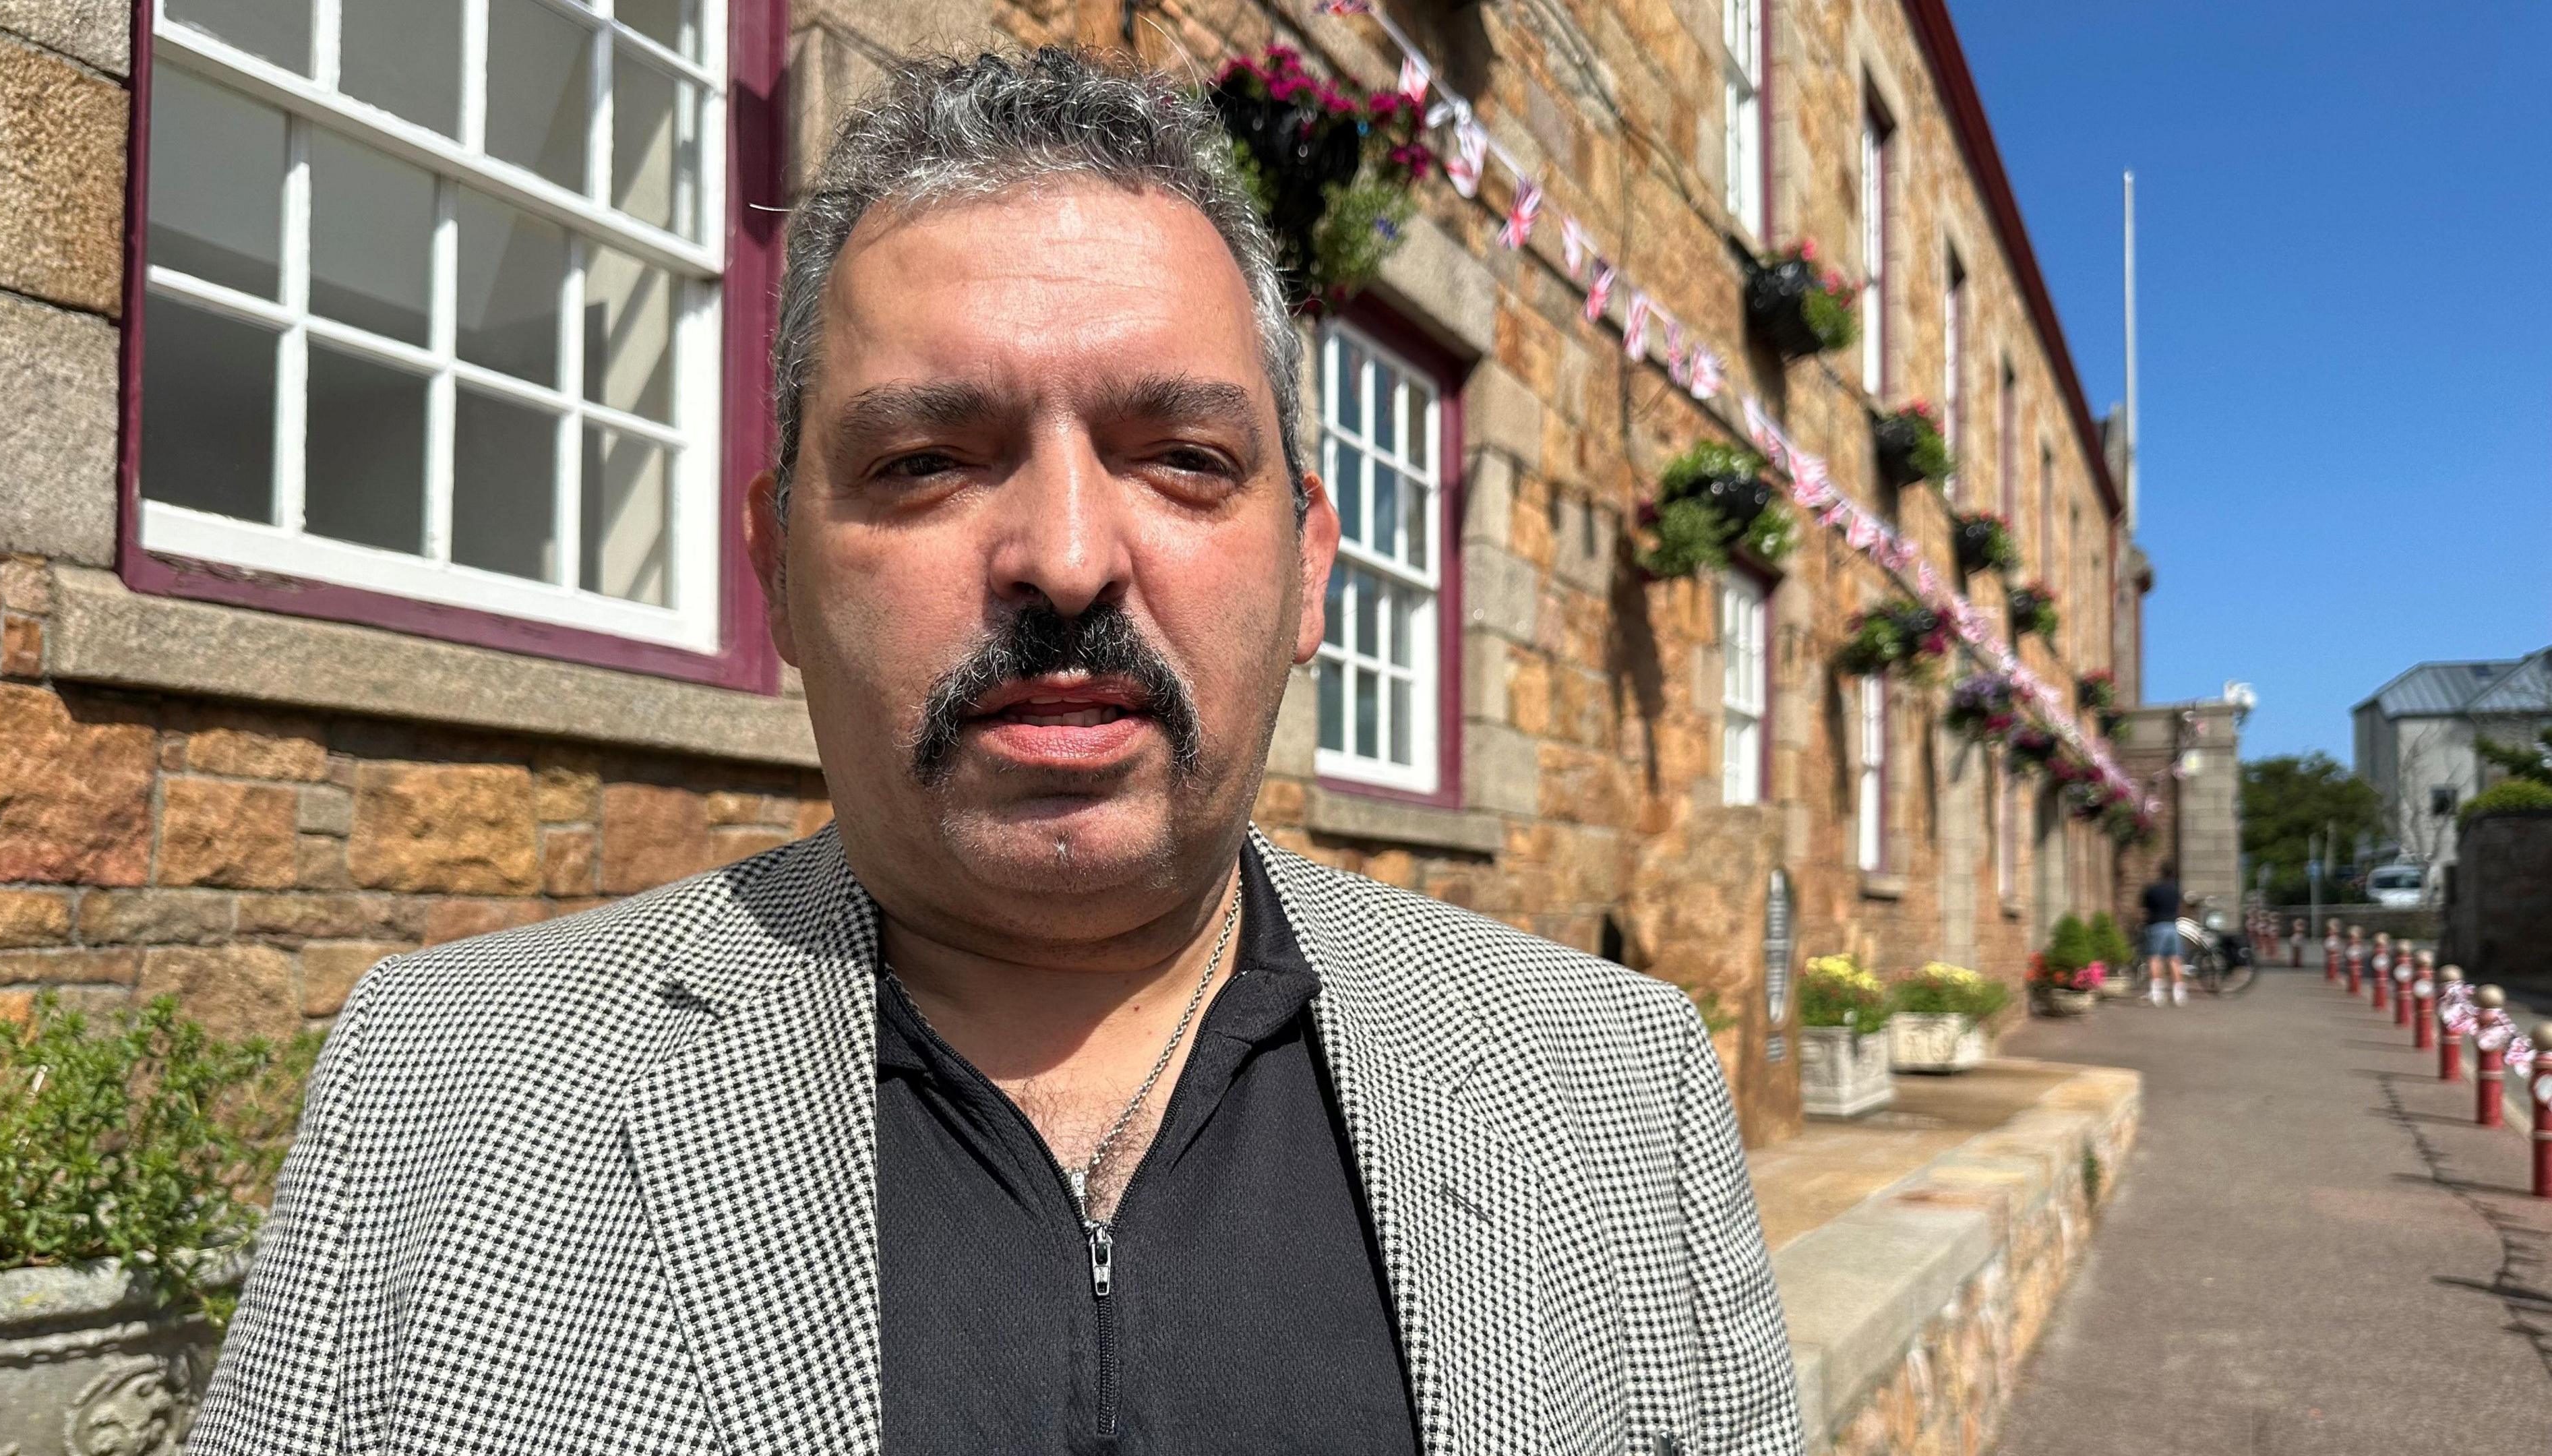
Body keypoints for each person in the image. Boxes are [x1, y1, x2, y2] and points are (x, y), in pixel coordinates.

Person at [189, 50, 1803, 1456]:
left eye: (1179, 457)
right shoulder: (447, 1083)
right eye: (927, 459)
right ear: (779, 564)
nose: (1065, 553)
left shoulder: (1614, 1089)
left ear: (1311, 565)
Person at [2142, 861, 2186, 1005]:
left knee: (2155, 958)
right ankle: (2179, 994)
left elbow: (2145, 908)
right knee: (2175, 959)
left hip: (2156, 925)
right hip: (2172, 926)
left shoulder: (2153, 890)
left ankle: (2156, 993)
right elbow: (2180, 908)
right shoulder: (2175, 890)